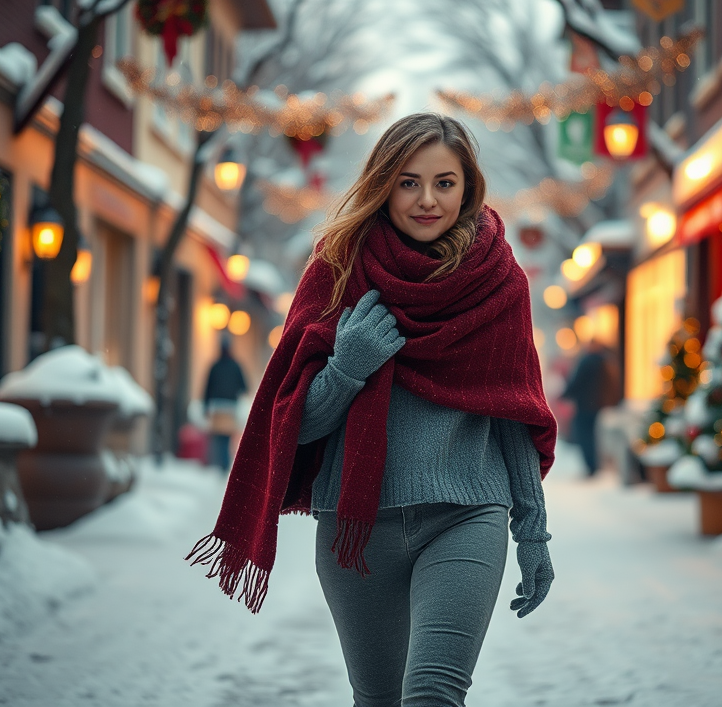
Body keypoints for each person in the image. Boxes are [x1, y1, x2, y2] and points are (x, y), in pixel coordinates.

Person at [188, 113, 557, 707]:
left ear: (468, 187)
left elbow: (511, 411)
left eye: (444, 182)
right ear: (383, 183)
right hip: (356, 529)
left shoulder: (499, 282)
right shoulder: (336, 273)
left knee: (433, 696)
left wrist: (532, 534)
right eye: (408, 182)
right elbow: (294, 425)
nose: (427, 199)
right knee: (378, 700)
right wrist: (346, 368)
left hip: (465, 517)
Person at [561, 340, 616, 477]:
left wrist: (565, 395)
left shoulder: (587, 361)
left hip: (585, 405)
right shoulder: (607, 362)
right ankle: (594, 465)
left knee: (585, 436)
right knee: (593, 436)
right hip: (599, 405)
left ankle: (591, 466)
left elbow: (577, 381)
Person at [201, 333, 247, 471]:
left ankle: (222, 463)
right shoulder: (236, 366)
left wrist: (206, 406)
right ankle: (224, 463)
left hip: (218, 406)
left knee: (220, 438)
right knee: (226, 437)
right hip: (230, 406)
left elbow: (207, 388)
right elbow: (244, 386)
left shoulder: (215, 366)